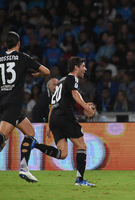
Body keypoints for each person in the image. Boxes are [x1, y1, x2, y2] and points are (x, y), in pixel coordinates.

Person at [0, 31, 50, 184]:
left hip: (1, 101)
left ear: (5, 44)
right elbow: (46, 71)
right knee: (3, 135)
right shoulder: (23, 57)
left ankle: (24, 168)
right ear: (19, 43)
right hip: (13, 101)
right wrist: (38, 76)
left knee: (30, 132)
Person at [32, 57, 96, 186]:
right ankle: (80, 180)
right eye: (83, 66)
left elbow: (54, 104)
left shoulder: (62, 81)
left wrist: (51, 124)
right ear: (76, 67)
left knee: (62, 154)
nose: (85, 69)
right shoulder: (72, 78)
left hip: (55, 117)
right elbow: (75, 94)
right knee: (82, 146)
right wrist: (86, 107)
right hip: (64, 115)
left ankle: (35, 145)